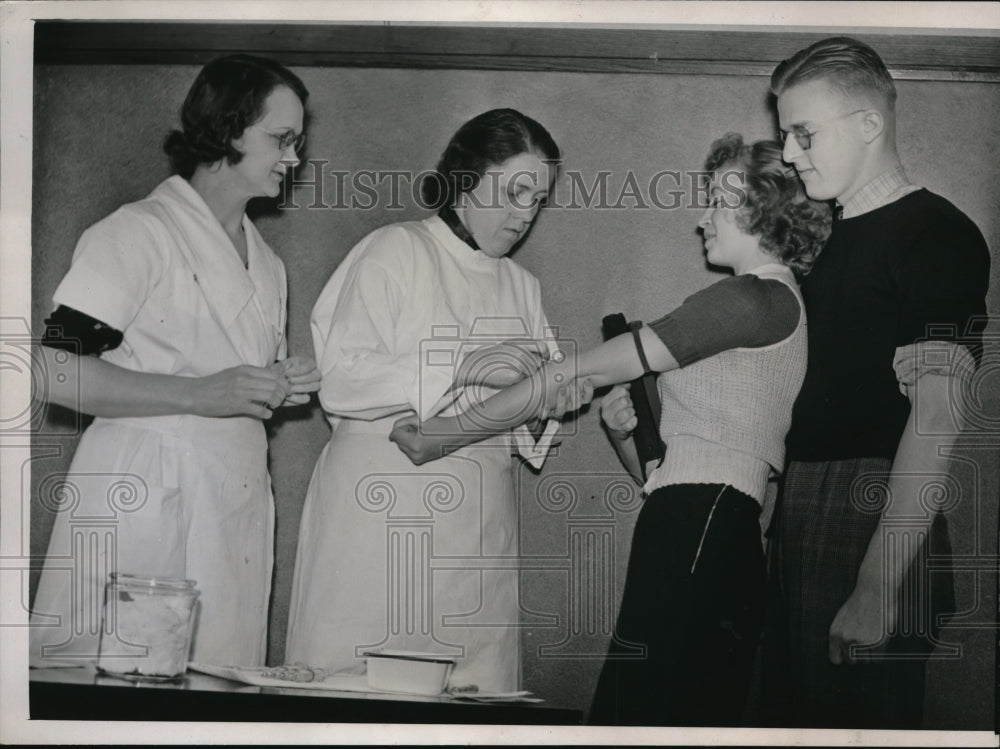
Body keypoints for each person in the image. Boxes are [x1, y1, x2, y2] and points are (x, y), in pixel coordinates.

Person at [413, 133, 832, 725]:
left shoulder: (750, 298)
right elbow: (676, 468)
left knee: (642, 713)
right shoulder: (769, 302)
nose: (701, 218)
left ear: (756, 206)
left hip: (699, 519)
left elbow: (586, 365)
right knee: (664, 710)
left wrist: (446, 433)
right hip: (699, 516)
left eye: (715, 201)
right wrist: (622, 434)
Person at [30, 54, 321, 669]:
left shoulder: (268, 264)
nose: (294, 157)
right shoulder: (138, 232)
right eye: (281, 139)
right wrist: (199, 394)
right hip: (141, 490)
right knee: (121, 681)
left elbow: (231, 378)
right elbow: (53, 369)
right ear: (228, 127)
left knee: (217, 685)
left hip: (233, 500)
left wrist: (276, 384)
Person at [285, 108, 586, 694]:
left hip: (479, 528)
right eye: (515, 191)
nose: (525, 214)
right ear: (467, 178)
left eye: (538, 200)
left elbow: (527, 410)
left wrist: (553, 398)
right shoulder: (393, 250)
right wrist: (470, 363)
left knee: (472, 702)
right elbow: (342, 378)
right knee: (358, 694)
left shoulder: (522, 286)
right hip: (380, 513)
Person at [762, 36, 991, 729]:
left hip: (873, 511)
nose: (791, 154)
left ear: (869, 125)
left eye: (803, 134)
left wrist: (878, 583)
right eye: (785, 136)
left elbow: (935, 420)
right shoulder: (826, 242)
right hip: (808, 502)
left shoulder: (937, 234)